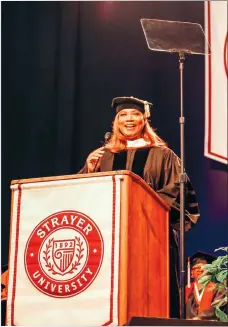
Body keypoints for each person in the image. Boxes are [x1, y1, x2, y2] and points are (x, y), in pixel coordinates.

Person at [79, 96, 200, 318]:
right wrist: (88, 170)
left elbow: (178, 193)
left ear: (144, 120)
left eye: (135, 114)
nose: (129, 119)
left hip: (152, 236)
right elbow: (82, 195)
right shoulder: (103, 156)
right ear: (116, 122)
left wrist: (141, 203)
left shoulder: (164, 155)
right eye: (123, 115)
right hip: (109, 238)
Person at [186, 251, 226, 320]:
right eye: (196, 269)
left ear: (209, 272)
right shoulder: (186, 289)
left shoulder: (218, 288)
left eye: (203, 268)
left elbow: (217, 308)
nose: (200, 271)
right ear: (191, 273)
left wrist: (200, 317)